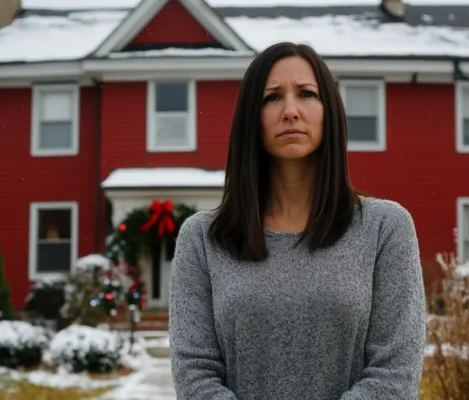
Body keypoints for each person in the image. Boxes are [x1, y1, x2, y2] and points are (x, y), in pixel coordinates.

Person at [169, 42, 426, 399]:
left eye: (306, 93)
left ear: (329, 111)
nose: (290, 110)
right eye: (272, 97)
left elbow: (395, 374)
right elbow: (195, 376)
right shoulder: (201, 238)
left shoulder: (385, 228)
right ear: (251, 117)